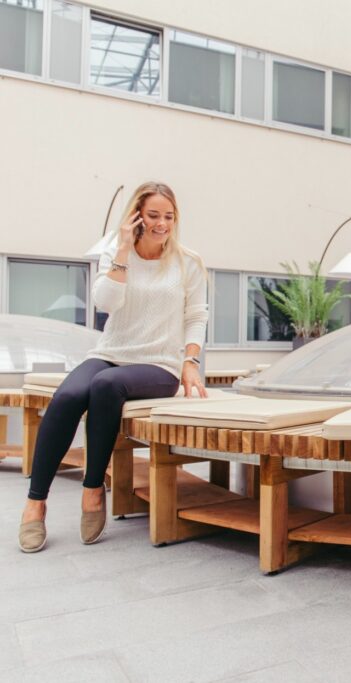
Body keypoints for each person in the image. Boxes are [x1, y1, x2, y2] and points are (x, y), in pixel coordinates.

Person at [18, 182, 209, 553]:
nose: (161, 224)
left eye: (168, 216)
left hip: (159, 364)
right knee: (70, 394)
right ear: (136, 215)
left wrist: (190, 361)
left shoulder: (188, 262)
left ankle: (93, 490)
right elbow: (107, 303)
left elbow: (196, 315)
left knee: (106, 386)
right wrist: (122, 249)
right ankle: (35, 502)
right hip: (110, 351)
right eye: (153, 215)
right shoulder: (114, 251)